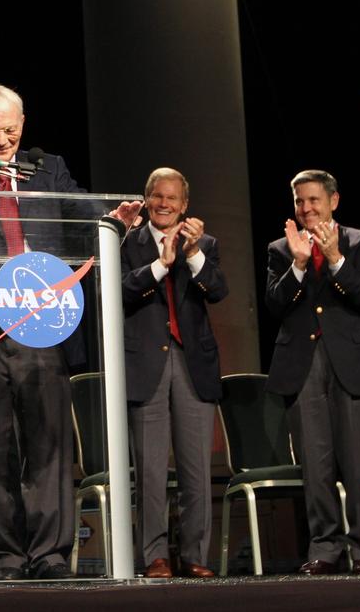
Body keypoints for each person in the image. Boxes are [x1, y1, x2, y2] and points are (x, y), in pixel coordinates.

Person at [0, 83, 141, 580]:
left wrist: (111, 218)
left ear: (23, 123)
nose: (2, 140)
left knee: (49, 446)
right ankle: (5, 556)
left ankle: (51, 554)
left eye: (10, 129)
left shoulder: (47, 167)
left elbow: (81, 207)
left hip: (44, 321)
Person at [264, 170, 360, 575]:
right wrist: (299, 264)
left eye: (314, 200)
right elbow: (275, 305)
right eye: (300, 201)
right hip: (302, 364)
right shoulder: (282, 249)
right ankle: (325, 547)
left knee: (358, 463)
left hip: (353, 363)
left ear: (333, 201)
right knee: (315, 465)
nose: (306, 209)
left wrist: (335, 260)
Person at [119, 168, 227, 579]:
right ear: (146, 200)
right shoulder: (127, 242)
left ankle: (196, 555)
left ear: (185, 205)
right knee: (149, 471)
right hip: (145, 364)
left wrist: (193, 254)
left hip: (192, 365)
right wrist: (161, 267)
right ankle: (156, 557)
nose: (164, 204)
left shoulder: (204, 245)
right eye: (156, 196)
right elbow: (120, 290)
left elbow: (217, 291)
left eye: (172, 199)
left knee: (196, 469)